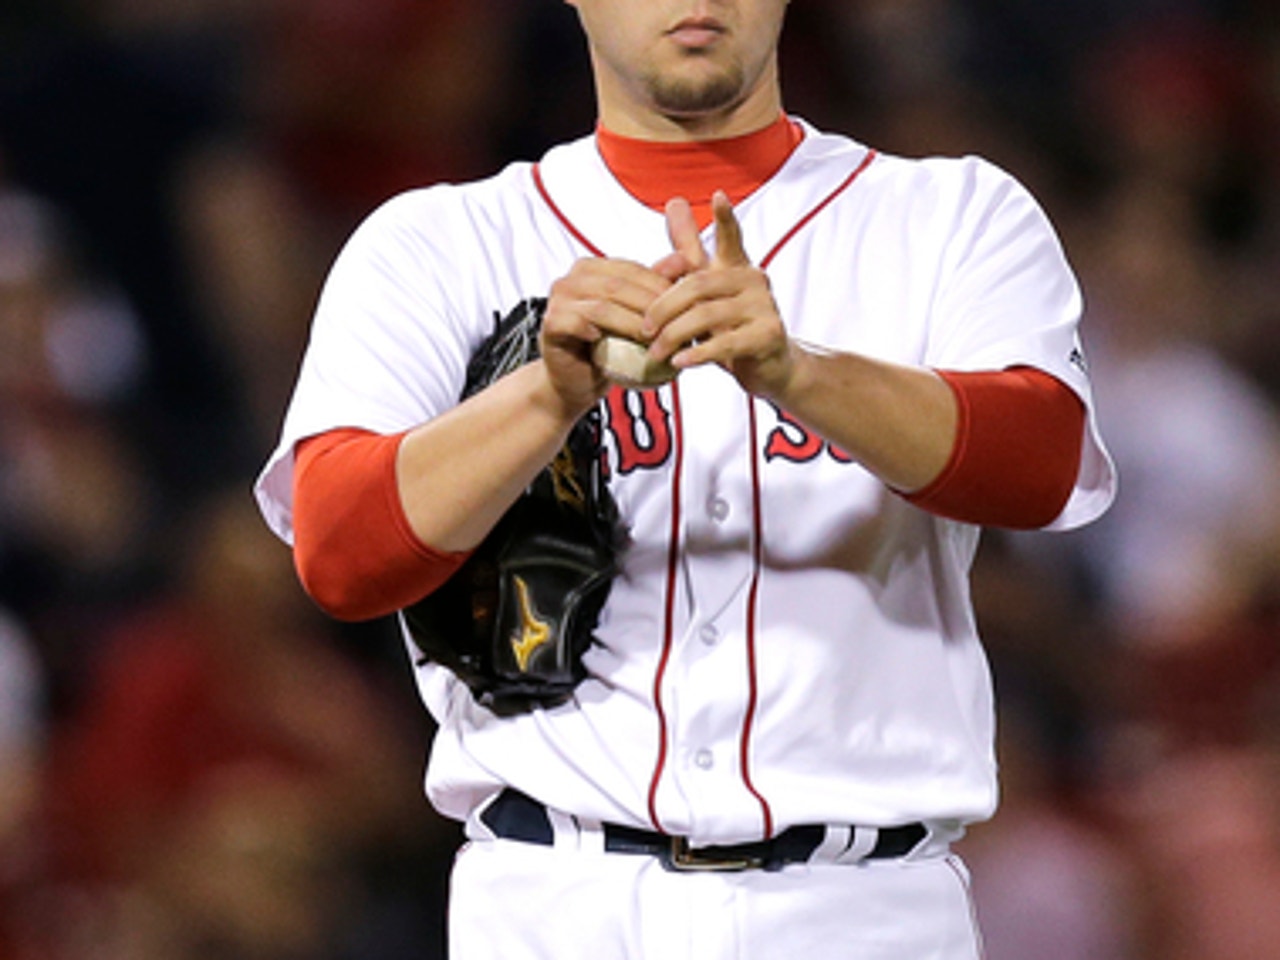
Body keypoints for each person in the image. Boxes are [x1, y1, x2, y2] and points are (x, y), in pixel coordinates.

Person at [255, 2, 1116, 957]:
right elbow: (338, 552)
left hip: (866, 910)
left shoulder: (952, 216)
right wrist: (546, 396)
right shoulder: (439, 244)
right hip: (555, 897)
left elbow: (1042, 461)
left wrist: (800, 374)